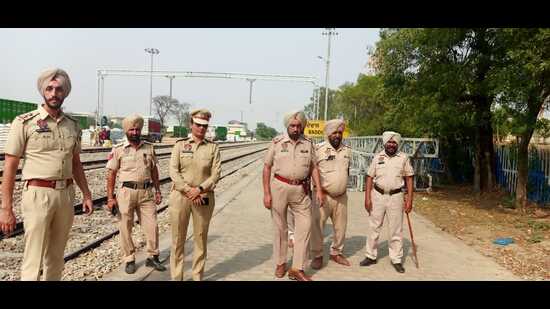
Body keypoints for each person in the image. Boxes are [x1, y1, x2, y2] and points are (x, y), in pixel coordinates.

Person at [0, 68, 93, 280]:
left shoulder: (73, 125)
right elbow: (10, 166)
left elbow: (76, 164)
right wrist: (6, 208)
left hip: (65, 196)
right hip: (37, 194)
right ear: (43, 91)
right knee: (33, 258)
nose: (54, 93)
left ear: (65, 93)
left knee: (56, 258)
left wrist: (86, 194)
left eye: (59, 89)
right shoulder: (24, 122)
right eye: (49, 89)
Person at [262, 110, 324, 281]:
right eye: (292, 125)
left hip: (301, 190)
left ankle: (297, 268)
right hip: (279, 188)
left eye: (298, 126)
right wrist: (266, 193)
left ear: (302, 127)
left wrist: (319, 189)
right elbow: (267, 167)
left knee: (305, 226)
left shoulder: (308, 144)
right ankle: (281, 263)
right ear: (287, 126)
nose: (296, 129)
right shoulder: (276, 142)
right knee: (280, 228)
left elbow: (314, 167)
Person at [106, 114, 165, 274]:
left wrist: (158, 190)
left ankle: (153, 257)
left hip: (146, 192)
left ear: (140, 130)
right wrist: (110, 198)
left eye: (137, 129)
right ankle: (129, 259)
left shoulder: (149, 147)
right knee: (125, 226)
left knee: (152, 226)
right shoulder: (118, 150)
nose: (134, 132)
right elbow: (111, 174)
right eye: (131, 129)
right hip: (126, 193)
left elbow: (154, 171)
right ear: (126, 131)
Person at [168, 109, 221, 281]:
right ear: (191, 125)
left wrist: (199, 189)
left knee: (200, 238)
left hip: (203, 197)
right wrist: (187, 189)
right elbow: (173, 171)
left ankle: (197, 276)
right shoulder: (180, 145)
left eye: (204, 126)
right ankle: (177, 277)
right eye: (198, 125)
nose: (201, 129)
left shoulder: (213, 148)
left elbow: (216, 174)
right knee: (178, 240)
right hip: (180, 197)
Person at [360, 131, 414, 273]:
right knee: (374, 227)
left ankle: (396, 259)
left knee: (395, 229)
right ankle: (370, 256)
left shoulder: (403, 158)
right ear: (385, 143)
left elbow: (409, 178)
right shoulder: (378, 157)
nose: (391, 144)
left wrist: (409, 199)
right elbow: (370, 177)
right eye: (389, 142)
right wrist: (367, 198)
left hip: (396, 197)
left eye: (394, 142)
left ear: (397, 144)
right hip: (377, 195)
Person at [310, 119, 352, 270]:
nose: (337, 135)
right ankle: (317, 255)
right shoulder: (318, 149)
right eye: (334, 132)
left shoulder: (347, 149)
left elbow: (347, 170)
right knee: (317, 226)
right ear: (328, 133)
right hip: (323, 196)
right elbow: (312, 172)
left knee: (341, 228)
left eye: (339, 132)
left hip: (341, 196)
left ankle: (336, 253)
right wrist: (317, 190)